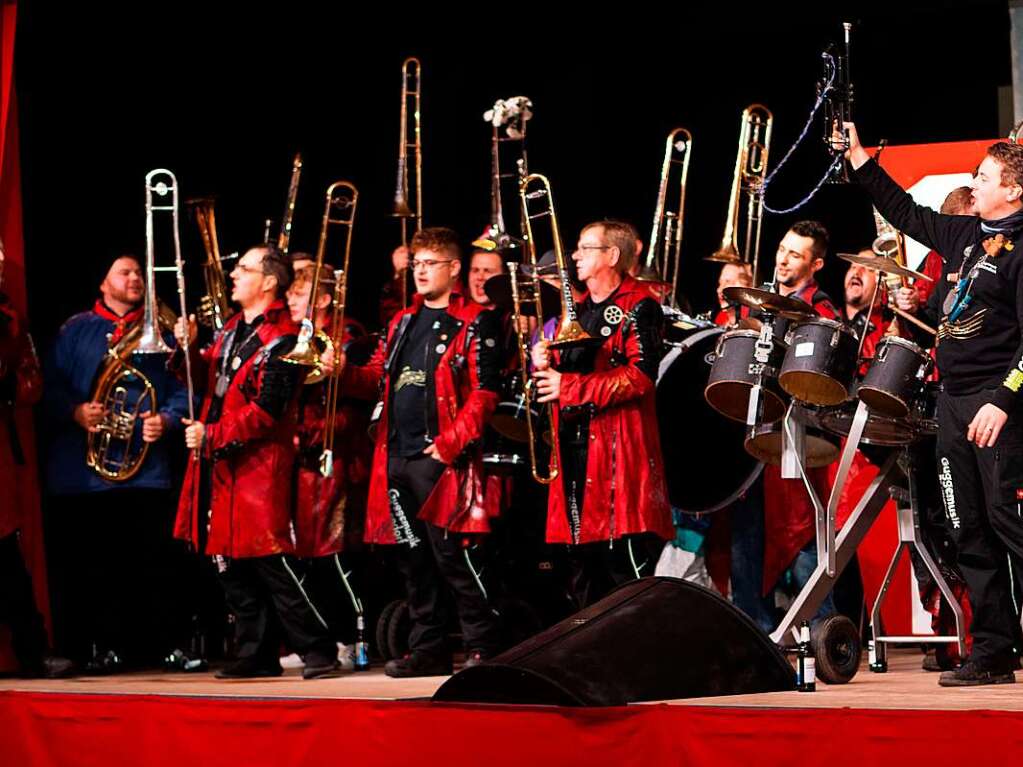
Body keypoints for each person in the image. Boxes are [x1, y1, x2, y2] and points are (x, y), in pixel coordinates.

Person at [843, 120, 1023, 686]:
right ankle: (994, 650)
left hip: (999, 408)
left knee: (1007, 523)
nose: (974, 183)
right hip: (952, 404)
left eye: (985, 177)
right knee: (966, 527)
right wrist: (859, 160)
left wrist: (1003, 401)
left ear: (1014, 190)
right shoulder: (964, 234)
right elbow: (904, 212)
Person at [341, 227, 504, 677]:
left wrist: (448, 446)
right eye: (416, 263)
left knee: (454, 557)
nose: (420, 271)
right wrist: (337, 369)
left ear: (453, 269)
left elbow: (485, 394)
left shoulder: (476, 320)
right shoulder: (401, 322)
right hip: (397, 457)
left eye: (430, 263)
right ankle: (427, 648)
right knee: (412, 560)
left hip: (440, 461)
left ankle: (481, 646)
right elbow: (377, 377)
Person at [173, 244, 341, 680]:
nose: (233, 275)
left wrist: (212, 434)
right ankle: (257, 651)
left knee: (271, 560)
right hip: (224, 462)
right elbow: (208, 379)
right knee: (228, 560)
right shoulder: (232, 328)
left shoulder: (285, 337)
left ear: (268, 282)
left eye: (244, 269)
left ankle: (319, 648)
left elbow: (269, 411)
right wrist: (188, 349)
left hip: (259, 465)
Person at [42, 254, 191, 671]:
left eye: (138, 273)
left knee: (153, 562)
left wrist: (165, 419)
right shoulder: (75, 330)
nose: (135, 279)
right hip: (85, 475)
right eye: (124, 272)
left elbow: (184, 386)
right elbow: (47, 386)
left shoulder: (160, 329)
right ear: (103, 284)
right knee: (95, 566)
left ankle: (162, 645)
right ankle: (100, 647)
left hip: (145, 470)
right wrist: (75, 412)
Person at [530, 220, 673, 609]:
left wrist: (569, 387)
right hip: (575, 453)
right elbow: (568, 373)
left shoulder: (640, 306)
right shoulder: (576, 311)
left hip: (616, 458)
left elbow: (641, 377)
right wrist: (543, 359)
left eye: (585, 248)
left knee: (624, 569)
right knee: (581, 568)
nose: (575, 256)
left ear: (612, 256)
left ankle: (641, 656)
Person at [728, 222, 839, 633]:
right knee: (746, 531)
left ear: (816, 264)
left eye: (795, 254)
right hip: (758, 427)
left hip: (798, 433)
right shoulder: (760, 304)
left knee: (800, 533)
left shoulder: (822, 308)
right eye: (782, 248)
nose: (783, 258)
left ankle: (825, 631)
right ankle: (751, 631)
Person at [284, 255, 372, 669]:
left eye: (298, 295)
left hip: (339, 457)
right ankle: (324, 635)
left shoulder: (347, 334)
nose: (290, 303)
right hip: (303, 456)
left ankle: (354, 637)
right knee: (309, 554)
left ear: (321, 298)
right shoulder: (294, 337)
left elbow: (362, 390)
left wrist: (339, 369)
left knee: (335, 553)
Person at [0, 243, 73, 678]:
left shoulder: (8, 320)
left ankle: (34, 651)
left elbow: (32, 385)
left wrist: (8, 374)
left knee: (5, 556)